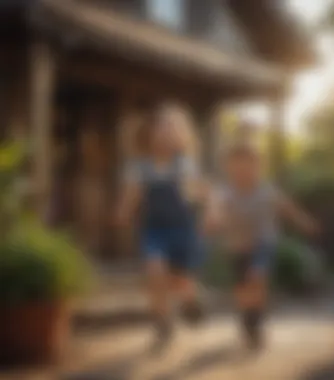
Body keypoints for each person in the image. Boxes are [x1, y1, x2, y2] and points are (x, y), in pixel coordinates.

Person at [203, 142, 319, 353]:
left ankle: (256, 320)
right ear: (228, 168)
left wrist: (304, 221)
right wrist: (213, 219)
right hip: (235, 246)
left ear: (258, 166)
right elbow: (215, 207)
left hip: (263, 243)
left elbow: (287, 208)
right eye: (237, 166)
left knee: (258, 276)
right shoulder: (224, 191)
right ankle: (249, 318)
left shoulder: (267, 189)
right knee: (242, 289)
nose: (243, 170)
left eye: (249, 165)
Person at [116, 102, 205, 355]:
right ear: (151, 132)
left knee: (180, 280)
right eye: (161, 125)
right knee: (155, 273)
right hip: (154, 231)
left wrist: (203, 200)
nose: (166, 131)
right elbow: (132, 193)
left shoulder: (185, 164)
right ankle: (162, 322)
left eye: (173, 126)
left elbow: (194, 192)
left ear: (182, 135)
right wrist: (123, 212)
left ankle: (190, 302)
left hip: (182, 230)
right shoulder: (139, 166)